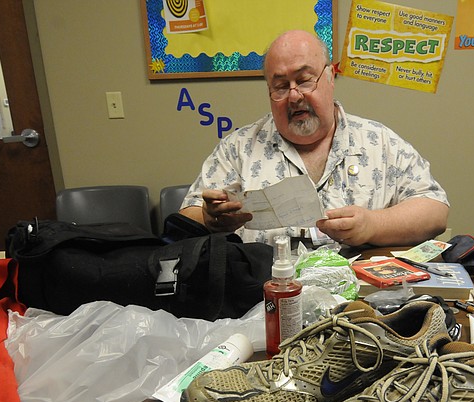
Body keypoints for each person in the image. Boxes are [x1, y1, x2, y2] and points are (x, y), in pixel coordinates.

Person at [179, 30, 450, 247]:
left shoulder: (378, 142)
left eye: (305, 80)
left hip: (360, 307)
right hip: (262, 303)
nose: (294, 95)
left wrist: (373, 225)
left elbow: (435, 209)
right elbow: (185, 218)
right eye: (281, 86)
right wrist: (209, 218)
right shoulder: (237, 150)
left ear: (330, 76)